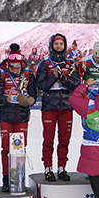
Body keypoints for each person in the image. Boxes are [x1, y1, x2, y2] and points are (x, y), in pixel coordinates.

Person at [35, 32, 81, 181]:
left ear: (65, 46)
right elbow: (40, 85)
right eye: (56, 44)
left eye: (61, 44)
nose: (59, 46)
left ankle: (62, 168)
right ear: (51, 45)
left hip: (66, 106)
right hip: (49, 106)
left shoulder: (71, 64)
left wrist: (64, 79)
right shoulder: (44, 64)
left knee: (64, 139)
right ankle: (48, 168)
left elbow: (76, 86)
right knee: (48, 140)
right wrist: (54, 76)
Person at [0, 43, 37, 192]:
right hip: (6, 115)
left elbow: (33, 94)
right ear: (8, 65)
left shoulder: (28, 75)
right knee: (6, 148)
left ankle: (18, 179)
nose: (15, 71)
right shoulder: (1, 74)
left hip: (22, 116)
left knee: (20, 149)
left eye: (18, 68)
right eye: (12, 68)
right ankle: (6, 180)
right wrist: (6, 100)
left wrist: (30, 100)